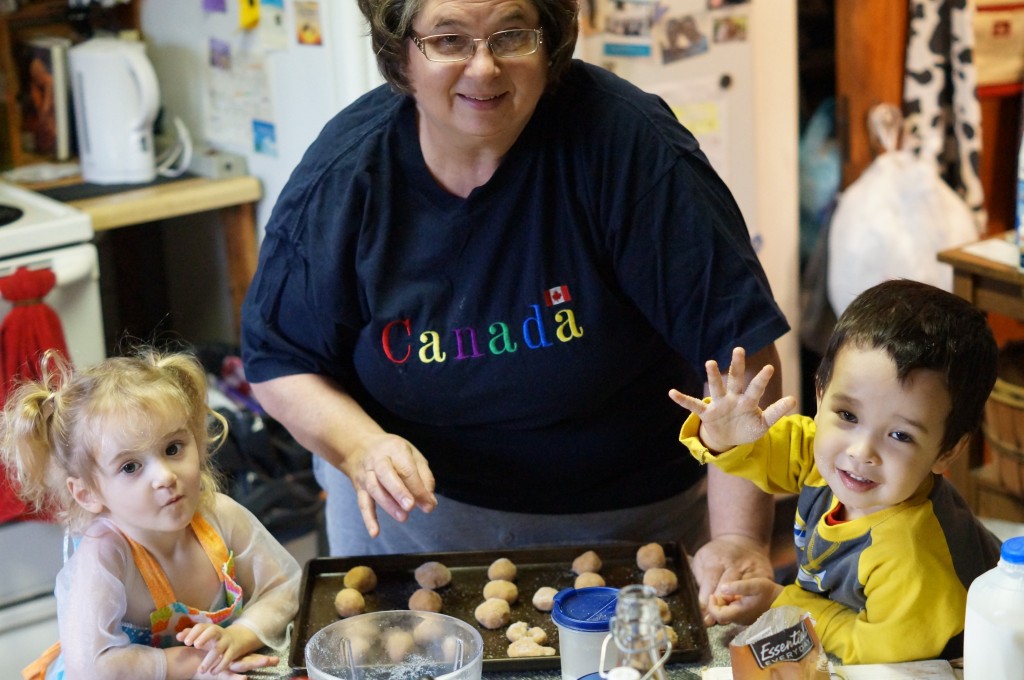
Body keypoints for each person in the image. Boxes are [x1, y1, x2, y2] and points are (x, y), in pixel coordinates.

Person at [240, 0, 790, 625]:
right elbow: (277, 359)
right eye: (449, 40)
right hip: (410, 536)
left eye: (511, 35)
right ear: (400, 55)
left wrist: (741, 538)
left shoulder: (631, 147)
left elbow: (739, 359)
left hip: (631, 532)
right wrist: (361, 446)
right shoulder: (348, 175)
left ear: (550, 41)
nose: (483, 68)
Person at [669, 279, 1002, 664]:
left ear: (947, 451)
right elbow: (760, 452)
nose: (860, 452)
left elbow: (876, 650)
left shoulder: (912, 556)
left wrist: (784, 602)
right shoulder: (821, 451)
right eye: (847, 415)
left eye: (899, 435)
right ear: (821, 393)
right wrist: (722, 436)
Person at [1, 349, 301, 680]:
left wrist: (239, 636)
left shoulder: (220, 516)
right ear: (88, 493)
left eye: (173, 448)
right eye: (130, 466)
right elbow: (91, 668)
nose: (165, 477)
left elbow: (284, 587)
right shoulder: (105, 554)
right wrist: (194, 664)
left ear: (197, 442)